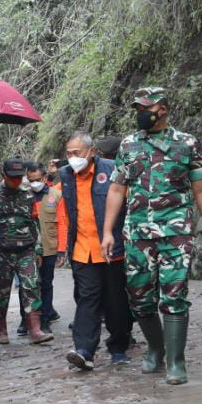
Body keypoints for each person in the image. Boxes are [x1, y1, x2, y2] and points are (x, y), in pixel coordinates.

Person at [102, 87, 202, 384]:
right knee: (139, 297)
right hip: (137, 233)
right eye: (137, 107)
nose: (140, 113)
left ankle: (177, 362)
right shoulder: (128, 145)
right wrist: (107, 231)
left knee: (175, 296)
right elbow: (117, 189)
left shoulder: (187, 143)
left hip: (176, 233)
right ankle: (156, 347)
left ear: (162, 109)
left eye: (145, 107)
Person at [56, 133, 132, 370]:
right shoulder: (65, 175)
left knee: (115, 301)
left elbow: (127, 203)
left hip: (110, 248)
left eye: (77, 153)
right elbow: (65, 209)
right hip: (82, 249)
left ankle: (119, 347)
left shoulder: (112, 170)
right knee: (87, 299)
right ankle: (83, 350)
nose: (72, 158)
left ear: (92, 152)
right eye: (68, 153)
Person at [0, 158, 53, 346]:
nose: (16, 181)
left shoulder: (27, 196)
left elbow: (35, 222)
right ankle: (1, 329)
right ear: (4, 176)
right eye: (12, 178)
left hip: (26, 250)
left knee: (32, 287)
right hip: (3, 252)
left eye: (19, 178)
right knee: (2, 291)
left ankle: (35, 329)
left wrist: (39, 249)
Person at [26, 161, 62, 330]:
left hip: (49, 247)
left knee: (46, 284)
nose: (34, 183)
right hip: (27, 248)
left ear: (45, 177)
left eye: (37, 179)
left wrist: (62, 249)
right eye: (30, 179)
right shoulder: (24, 196)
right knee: (29, 285)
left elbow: (63, 223)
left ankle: (46, 320)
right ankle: (26, 320)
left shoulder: (56, 195)